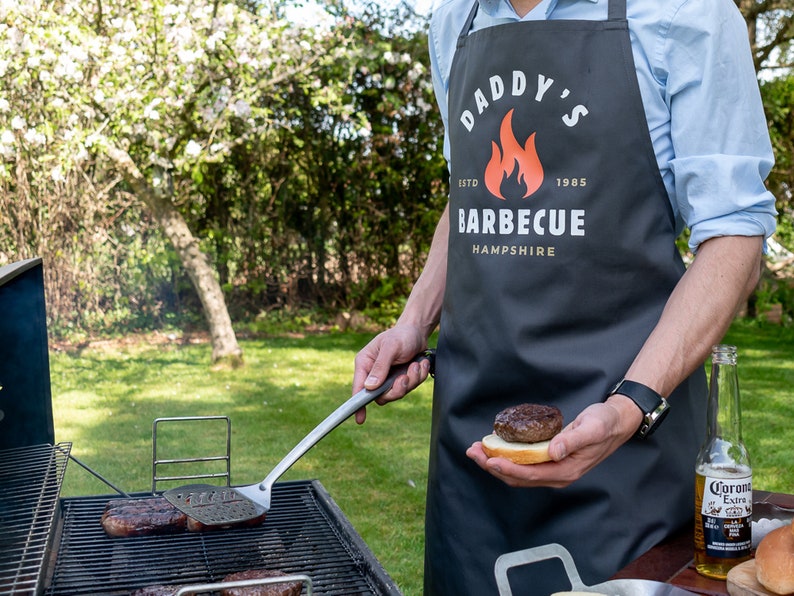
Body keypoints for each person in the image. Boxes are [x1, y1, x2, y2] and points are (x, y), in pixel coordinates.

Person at [352, 0, 778, 593]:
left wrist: (629, 406)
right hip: (470, 452)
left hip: (623, 446)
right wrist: (413, 321)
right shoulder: (455, 23)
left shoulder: (687, 13)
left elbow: (735, 236)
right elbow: (469, 194)